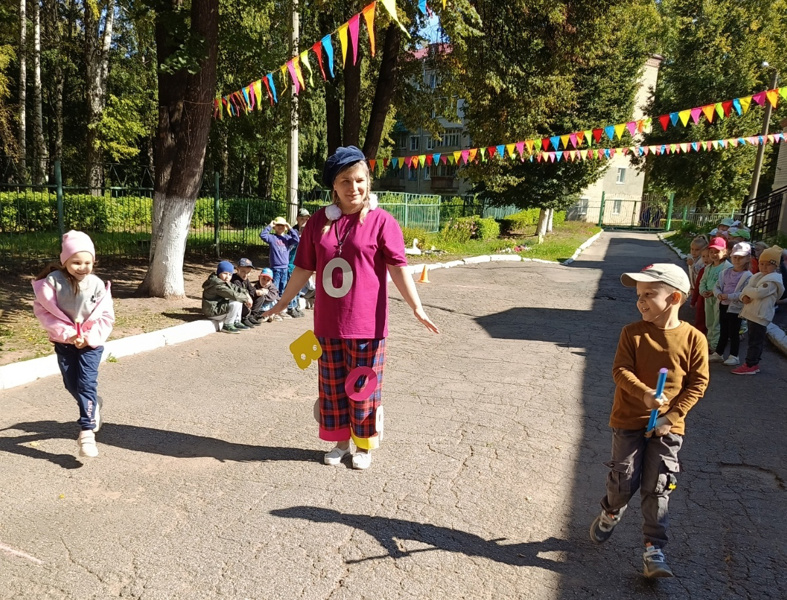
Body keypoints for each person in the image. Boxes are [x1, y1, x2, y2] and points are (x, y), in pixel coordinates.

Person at [262, 145, 439, 470]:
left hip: (367, 327)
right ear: (334, 186)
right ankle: (341, 442)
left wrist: (417, 307)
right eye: (345, 181)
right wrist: (282, 302)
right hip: (328, 325)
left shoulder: (382, 222)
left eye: (359, 180)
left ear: (367, 182)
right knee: (331, 388)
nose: (353, 188)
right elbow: (303, 268)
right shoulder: (318, 222)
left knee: (363, 389)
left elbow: (398, 267)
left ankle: (364, 444)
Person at [589, 263, 709, 579]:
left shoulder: (694, 339)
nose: (640, 301)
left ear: (674, 299)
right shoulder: (632, 333)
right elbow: (620, 371)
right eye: (639, 295)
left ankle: (653, 549)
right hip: (629, 419)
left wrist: (671, 416)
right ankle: (611, 510)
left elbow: (698, 383)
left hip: (669, 426)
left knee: (658, 487)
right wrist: (644, 394)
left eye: (649, 294)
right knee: (623, 482)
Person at [32, 230, 115, 458]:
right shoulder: (52, 284)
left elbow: (107, 316)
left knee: (86, 383)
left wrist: (88, 338)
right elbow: (44, 313)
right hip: (65, 343)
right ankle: (93, 404)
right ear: (64, 261)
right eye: (76, 262)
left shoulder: (97, 284)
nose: (82, 267)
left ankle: (87, 432)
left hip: (91, 344)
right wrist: (68, 335)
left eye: (88, 262)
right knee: (72, 384)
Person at [733, 246, 785, 375]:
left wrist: (746, 291)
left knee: (756, 341)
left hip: (760, 315)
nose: (764, 267)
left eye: (768, 265)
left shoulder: (773, 280)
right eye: (762, 264)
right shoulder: (757, 276)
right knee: (752, 339)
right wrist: (743, 296)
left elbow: (758, 293)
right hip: (752, 313)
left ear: (775, 266)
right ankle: (751, 362)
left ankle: (752, 364)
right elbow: (746, 289)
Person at [709, 242, 752, 366]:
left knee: (734, 332)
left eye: (741, 257)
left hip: (736, 307)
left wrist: (729, 296)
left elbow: (744, 292)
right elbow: (717, 286)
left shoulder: (748, 276)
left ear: (747, 258)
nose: (737, 260)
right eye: (735, 257)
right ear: (731, 257)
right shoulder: (725, 272)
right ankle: (719, 353)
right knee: (723, 330)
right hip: (723, 304)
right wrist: (718, 294)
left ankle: (734, 355)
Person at [260, 216, 303, 318]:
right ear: (275, 227)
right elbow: (262, 235)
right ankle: (273, 310)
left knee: (283, 289)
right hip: (275, 268)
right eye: (278, 225)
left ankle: (280, 310)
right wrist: (270, 226)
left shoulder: (287, 238)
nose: (280, 227)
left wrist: (290, 228)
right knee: (274, 289)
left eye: (282, 225)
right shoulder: (272, 237)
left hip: (285, 268)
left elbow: (297, 240)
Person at [202, 261, 253, 334]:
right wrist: (246, 299)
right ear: (219, 273)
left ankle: (236, 322)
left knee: (239, 299)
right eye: (225, 273)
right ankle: (227, 325)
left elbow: (237, 289)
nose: (227, 277)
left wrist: (247, 295)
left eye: (230, 274)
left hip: (218, 309)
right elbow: (233, 294)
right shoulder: (217, 285)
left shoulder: (224, 282)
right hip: (212, 312)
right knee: (236, 301)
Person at [699, 236, 731, 350]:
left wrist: (714, 292)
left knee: (717, 323)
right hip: (708, 298)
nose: (713, 254)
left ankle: (715, 345)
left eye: (717, 251)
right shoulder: (708, 267)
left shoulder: (727, 268)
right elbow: (703, 281)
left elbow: (728, 285)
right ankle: (709, 342)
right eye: (711, 252)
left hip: (720, 299)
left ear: (725, 252)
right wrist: (703, 291)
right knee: (709, 321)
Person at [230, 257, 262, 328]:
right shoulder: (235, 280)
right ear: (237, 269)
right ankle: (244, 317)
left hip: (246, 300)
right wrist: (248, 297)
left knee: (260, 297)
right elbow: (240, 292)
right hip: (238, 299)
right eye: (243, 271)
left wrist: (258, 291)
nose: (245, 275)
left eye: (248, 272)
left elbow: (251, 289)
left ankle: (252, 315)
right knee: (242, 300)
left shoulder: (245, 279)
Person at [690, 246, 710, 334]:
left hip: (713, 299)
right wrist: (693, 301)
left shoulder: (721, 270)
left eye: (708, 256)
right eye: (703, 256)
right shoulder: (703, 270)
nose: (706, 259)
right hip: (702, 300)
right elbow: (698, 286)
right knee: (700, 319)